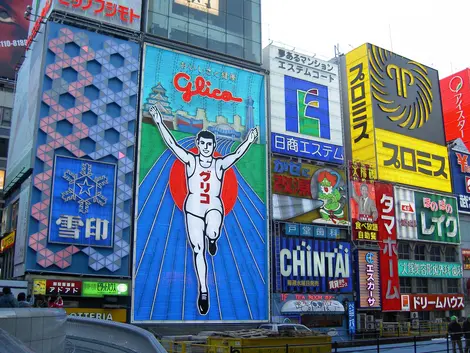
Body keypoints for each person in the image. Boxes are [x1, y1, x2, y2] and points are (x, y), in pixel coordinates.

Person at [149, 104, 258, 315]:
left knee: (213, 231)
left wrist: (249, 141)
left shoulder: (218, 164)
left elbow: (235, 155)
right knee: (198, 250)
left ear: (213, 145)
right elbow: (171, 144)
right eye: (203, 143)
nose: (206, 147)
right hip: (193, 208)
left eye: (210, 144)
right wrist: (159, 121)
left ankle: (214, 238)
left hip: (214, 206)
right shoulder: (190, 161)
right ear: (198, 144)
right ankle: (203, 290)